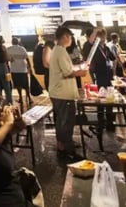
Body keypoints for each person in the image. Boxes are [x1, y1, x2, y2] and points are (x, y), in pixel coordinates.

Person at [49, 26, 87, 161]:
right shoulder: (61, 52)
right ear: (65, 37)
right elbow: (67, 73)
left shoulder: (57, 51)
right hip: (63, 94)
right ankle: (69, 151)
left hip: (57, 93)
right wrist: (81, 72)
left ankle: (61, 147)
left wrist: (77, 68)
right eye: (70, 37)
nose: (71, 40)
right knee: (66, 122)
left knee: (61, 121)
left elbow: (66, 69)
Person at [7, 38, 31, 108]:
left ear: (12, 42)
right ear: (18, 42)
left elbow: (7, 58)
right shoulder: (22, 49)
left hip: (14, 70)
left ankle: (20, 98)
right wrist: (29, 67)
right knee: (26, 85)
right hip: (23, 69)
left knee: (18, 85)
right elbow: (27, 58)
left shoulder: (9, 49)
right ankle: (28, 97)